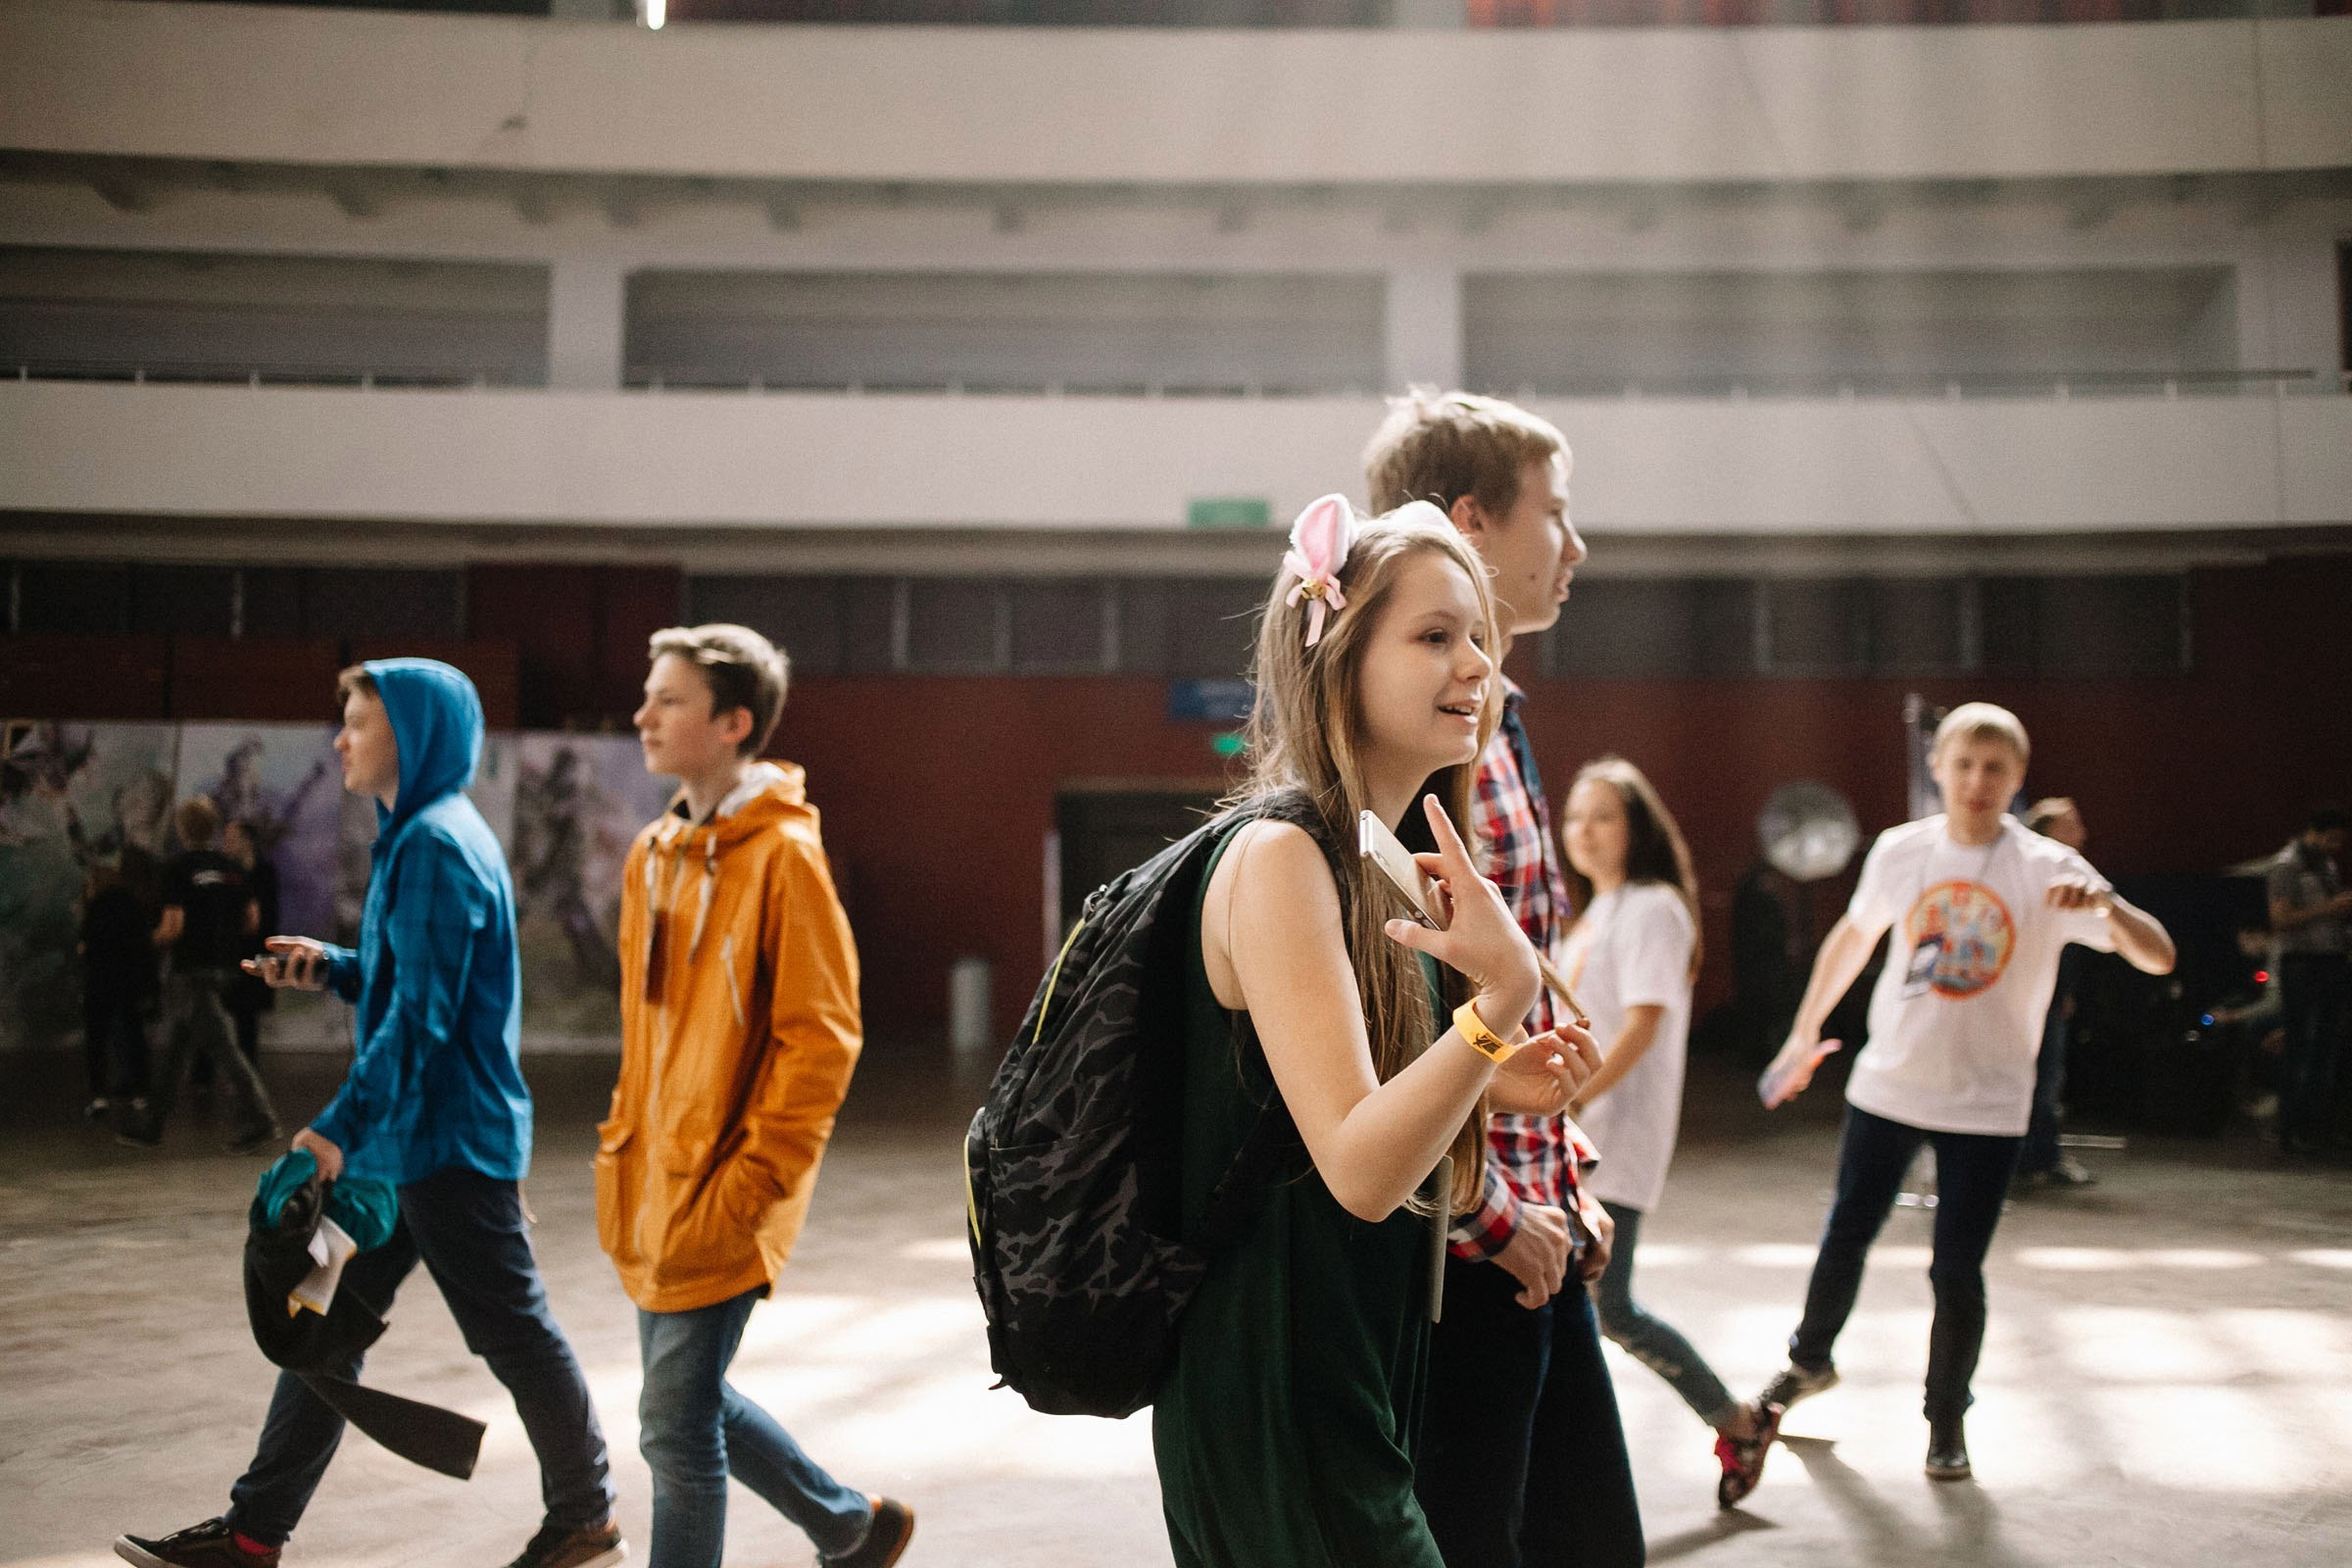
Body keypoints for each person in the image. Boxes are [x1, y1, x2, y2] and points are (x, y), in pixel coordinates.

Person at [1153, 496, 1599, 1568]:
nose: (1477, 665)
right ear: (1339, 656)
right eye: (1435, 636)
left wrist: (1493, 1076)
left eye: (1480, 637)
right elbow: (1358, 1167)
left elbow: (1331, 1086)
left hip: (1358, 1363)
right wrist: (1496, 1006)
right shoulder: (1281, 858)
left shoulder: (1375, 855)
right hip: (1275, 1382)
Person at [115, 660, 623, 1568]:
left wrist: (336, 1129)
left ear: (415, 736)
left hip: (446, 1145)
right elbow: (417, 981)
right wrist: (334, 965)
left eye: (359, 723)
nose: (341, 738)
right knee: (326, 1321)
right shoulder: (422, 836)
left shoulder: (433, 845)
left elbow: (421, 1023)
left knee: (512, 1331)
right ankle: (252, 1534)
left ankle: (586, 1518)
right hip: (411, 1144)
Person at [1364, 388, 1642, 1568]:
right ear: (1472, 522)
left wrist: (1566, 1171)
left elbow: (1507, 983)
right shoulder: (1422, 739)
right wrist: (1484, 1206)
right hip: (1471, 1239)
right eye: (1555, 513)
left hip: (1536, 1206)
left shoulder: (1500, 716)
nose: (1574, 545)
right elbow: (1388, 1018)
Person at [1756, 703, 2176, 1482]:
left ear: (2017, 779)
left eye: (1995, 768)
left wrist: (2109, 909)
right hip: (1889, 1086)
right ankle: (1809, 1362)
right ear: (1938, 769)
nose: (1978, 781)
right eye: (1964, 765)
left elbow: (2159, 956)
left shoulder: (2049, 868)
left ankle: (1946, 1418)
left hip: (1988, 1105)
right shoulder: (1901, 851)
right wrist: (1802, 1032)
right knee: (1846, 1233)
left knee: (1955, 1269)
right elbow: (1853, 938)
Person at [603, 623, 914, 1568]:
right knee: (688, 1399)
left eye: (669, 701)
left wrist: (755, 1181)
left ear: (734, 723)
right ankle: (851, 1527)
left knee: (673, 1423)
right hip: (654, 1181)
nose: (643, 716)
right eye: (649, 697)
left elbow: (822, 1038)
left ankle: (845, 1527)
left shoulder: (783, 857)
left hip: (729, 1189)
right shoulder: (654, 853)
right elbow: (644, 1031)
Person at [1557, 758, 1781, 1508]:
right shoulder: (1599, 910)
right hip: (1581, 1127)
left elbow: (1642, 1027)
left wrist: (1573, 1101)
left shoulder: (1653, 907)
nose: (1585, 832)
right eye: (1575, 817)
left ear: (1639, 829)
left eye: (1604, 817)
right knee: (1578, 1303)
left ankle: (1740, 1422)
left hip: (1616, 1132)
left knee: (1610, 1306)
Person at [118, 796, 281, 1153]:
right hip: (225, 969)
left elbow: (173, 927)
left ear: (182, 828)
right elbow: (252, 920)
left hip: (192, 971)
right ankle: (151, 1127)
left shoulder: (177, 868)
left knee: (225, 1049)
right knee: (176, 1049)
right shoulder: (232, 868)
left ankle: (262, 1119)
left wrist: (144, 943)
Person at [2015, 797, 2096, 1187]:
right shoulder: (2033, 874)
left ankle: (2039, 1157)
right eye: (2071, 823)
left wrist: (2066, 990)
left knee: (2047, 1080)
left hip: (2051, 995)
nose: (2082, 832)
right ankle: (2032, 1160)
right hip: (2028, 996)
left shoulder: (2073, 875)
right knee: (2039, 1080)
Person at [2268, 806, 2352, 1156]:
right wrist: (2331, 909)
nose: (2335, 847)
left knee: (2327, 1049)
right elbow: (2280, 919)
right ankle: (2290, 1130)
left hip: (2332, 961)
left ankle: (2317, 1128)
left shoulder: (2326, 865)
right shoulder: (2287, 865)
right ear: (2313, 832)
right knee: (2300, 1046)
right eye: (2330, 839)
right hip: (2302, 964)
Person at [78, 846, 159, 1121]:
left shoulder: (97, 906)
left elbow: (86, 945)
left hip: (100, 980)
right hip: (129, 979)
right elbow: (144, 946)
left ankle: (99, 1096)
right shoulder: (134, 904)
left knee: (96, 1039)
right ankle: (140, 1093)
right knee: (134, 1035)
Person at [222, 818, 278, 1065]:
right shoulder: (227, 873)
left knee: (247, 1015)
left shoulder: (264, 873)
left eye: (232, 838)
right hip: (230, 952)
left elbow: (266, 917)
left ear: (247, 840)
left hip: (254, 951)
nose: (226, 843)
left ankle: (247, 1068)